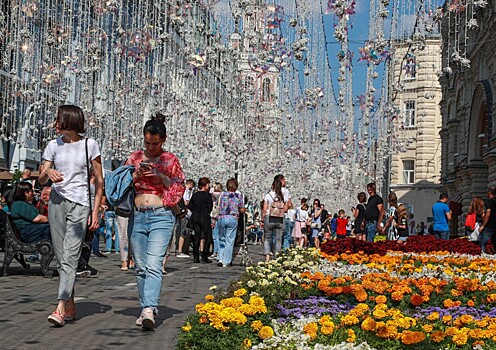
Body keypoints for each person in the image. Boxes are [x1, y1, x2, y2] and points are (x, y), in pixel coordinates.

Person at [39, 104, 104, 327]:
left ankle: (59, 308)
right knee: (61, 257)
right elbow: (40, 178)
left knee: (70, 256)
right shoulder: (52, 145)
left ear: (69, 120)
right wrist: (48, 172)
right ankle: (70, 303)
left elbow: (100, 182)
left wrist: (95, 212)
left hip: (80, 204)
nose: (55, 123)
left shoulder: (90, 144)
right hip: (57, 203)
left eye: (58, 119)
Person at [124, 113, 185, 330]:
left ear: (164, 139)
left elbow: (178, 187)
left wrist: (160, 177)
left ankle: (149, 308)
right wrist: (136, 176)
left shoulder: (170, 160)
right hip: (138, 214)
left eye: (155, 143)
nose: (150, 147)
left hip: (161, 214)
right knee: (140, 266)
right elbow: (122, 183)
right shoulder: (135, 157)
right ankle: (145, 309)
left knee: (153, 264)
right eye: (147, 143)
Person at [217, 178, 245, 267]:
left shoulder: (222, 194)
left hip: (222, 217)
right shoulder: (239, 196)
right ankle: (226, 261)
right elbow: (241, 208)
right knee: (230, 240)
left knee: (222, 238)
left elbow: (219, 205)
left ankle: (220, 258)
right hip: (232, 218)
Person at [262, 179, 289, 261]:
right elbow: (286, 209)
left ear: (272, 186)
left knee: (267, 238)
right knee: (278, 239)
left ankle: (267, 256)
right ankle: (277, 257)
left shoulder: (268, 195)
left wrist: (263, 218)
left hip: (269, 217)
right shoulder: (283, 196)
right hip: (280, 219)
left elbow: (264, 209)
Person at [188, 177, 213, 263]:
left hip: (195, 216)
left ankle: (196, 257)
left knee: (197, 236)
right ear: (205, 185)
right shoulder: (208, 195)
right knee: (208, 236)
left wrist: (195, 210)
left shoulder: (195, 195)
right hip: (204, 216)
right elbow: (210, 207)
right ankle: (204, 256)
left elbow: (190, 205)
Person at [176, 179, 195, 258]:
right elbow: (186, 202)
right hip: (184, 214)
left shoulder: (183, 191)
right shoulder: (186, 191)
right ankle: (180, 250)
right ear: (190, 184)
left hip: (184, 213)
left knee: (185, 231)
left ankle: (182, 250)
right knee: (184, 231)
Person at [479, 187, 496, 253]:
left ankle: (482, 256)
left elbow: (488, 214)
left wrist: (483, 225)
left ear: (489, 193)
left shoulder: (488, 202)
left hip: (490, 226)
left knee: (483, 242)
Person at [210, 182, 223, 258]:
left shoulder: (218, 195)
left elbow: (211, 192)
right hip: (221, 217)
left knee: (215, 236)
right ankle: (218, 251)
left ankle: (216, 252)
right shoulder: (223, 196)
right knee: (219, 236)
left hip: (216, 217)